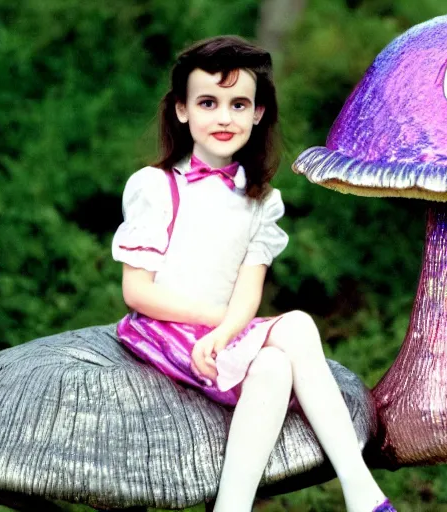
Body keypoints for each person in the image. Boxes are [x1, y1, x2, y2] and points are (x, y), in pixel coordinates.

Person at [112, 35, 393, 512]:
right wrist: (215, 322)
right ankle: (362, 493)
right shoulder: (156, 186)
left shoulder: (261, 200)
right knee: (297, 328)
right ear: (182, 110)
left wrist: (225, 329)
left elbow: (249, 290)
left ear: (258, 113)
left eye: (239, 104)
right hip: (164, 329)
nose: (224, 117)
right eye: (208, 102)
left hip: (224, 331)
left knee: (277, 362)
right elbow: (136, 291)